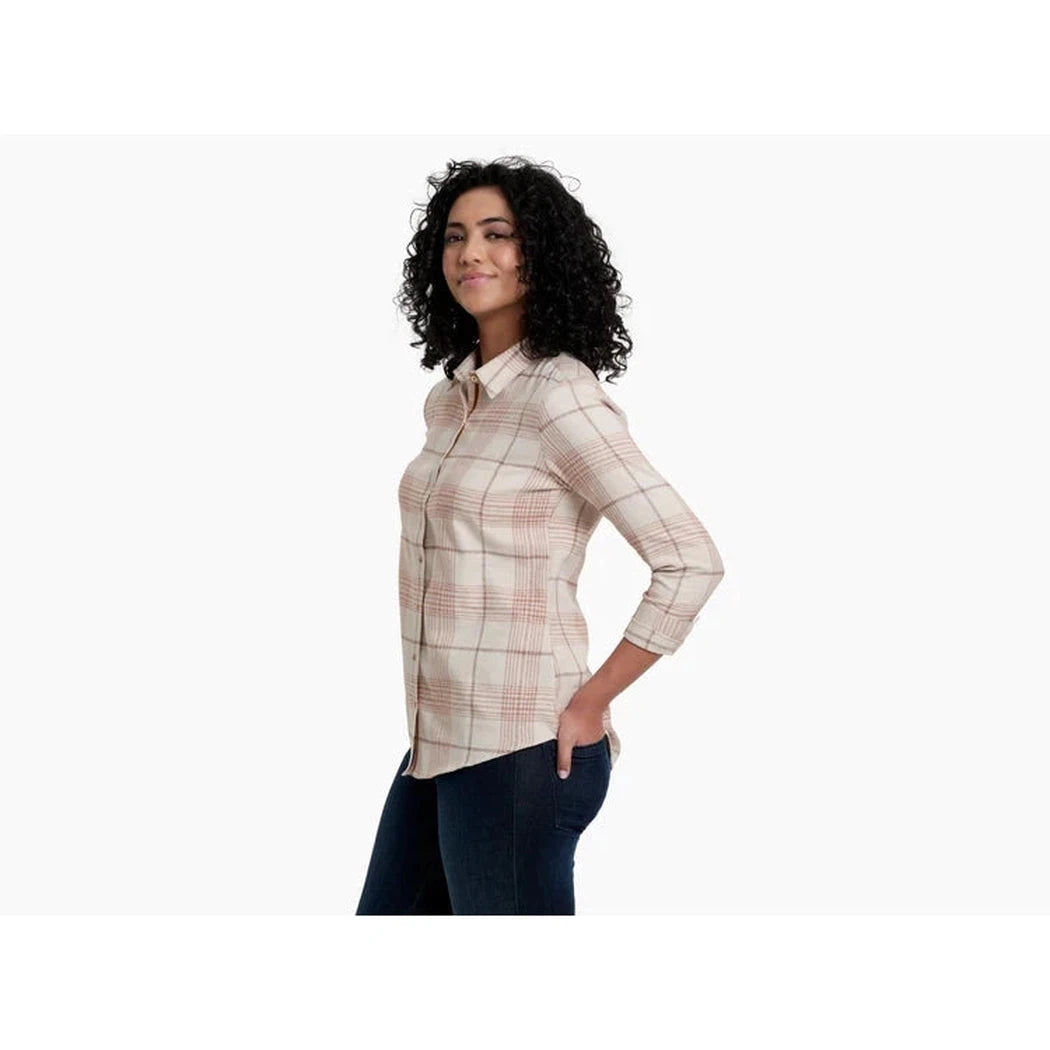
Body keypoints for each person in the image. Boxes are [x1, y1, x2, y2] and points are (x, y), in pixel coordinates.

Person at [355, 156, 725, 914]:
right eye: (455, 236)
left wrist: (589, 705)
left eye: (498, 234)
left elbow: (690, 560)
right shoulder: (450, 400)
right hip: (438, 743)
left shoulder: (560, 397)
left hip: (520, 752)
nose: (471, 253)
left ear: (541, 253)